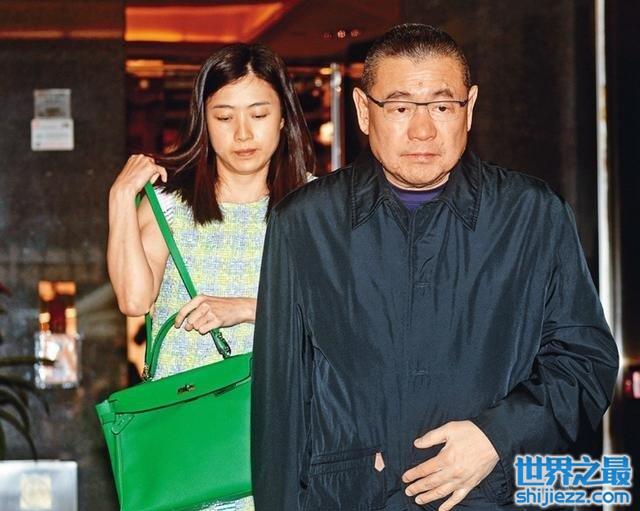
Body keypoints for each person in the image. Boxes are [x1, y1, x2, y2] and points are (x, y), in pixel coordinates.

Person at [251, 24, 618, 511]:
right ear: (363, 110)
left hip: (492, 497)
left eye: (443, 107)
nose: (422, 131)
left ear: (470, 107)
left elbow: (585, 361)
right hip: (352, 497)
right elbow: (281, 402)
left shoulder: (531, 213)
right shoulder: (305, 222)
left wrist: (497, 436)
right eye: (400, 108)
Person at [107, 43, 315, 511]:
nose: (243, 133)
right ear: (204, 121)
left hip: (285, 425)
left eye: (258, 114)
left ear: (283, 118)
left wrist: (245, 310)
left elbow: (344, 318)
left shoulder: (316, 207)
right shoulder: (169, 207)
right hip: (189, 434)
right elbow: (134, 300)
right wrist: (121, 198)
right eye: (224, 117)